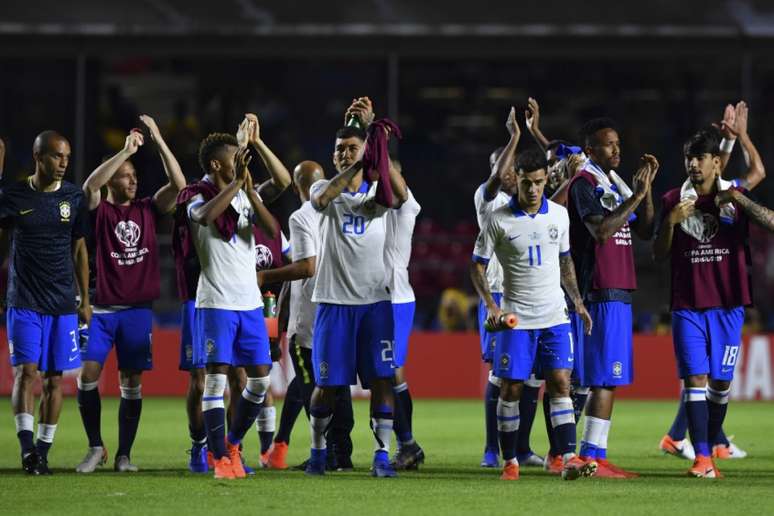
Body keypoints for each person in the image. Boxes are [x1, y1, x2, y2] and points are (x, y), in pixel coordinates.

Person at [173, 114, 291, 474]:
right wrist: (238, 184)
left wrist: (254, 145)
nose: (241, 161)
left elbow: (282, 185)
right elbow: (206, 217)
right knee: (216, 378)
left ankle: (232, 444)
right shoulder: (195, 195)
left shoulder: (243, 193)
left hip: (250, 304)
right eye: (234, 156)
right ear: (214, 164)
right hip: (216, 302)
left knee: (259, 378)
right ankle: (218, 459)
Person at [652, 121, 766, 478]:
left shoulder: (734, 194)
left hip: (729, 306)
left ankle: (712, 443)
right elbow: (658, 254)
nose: (693, 164)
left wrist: (740, 197)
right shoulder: (673, 200)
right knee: (695, 380)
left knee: (720, 385)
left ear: (716, 162)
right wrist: (670, 221)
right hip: (688, 306)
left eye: (700, 157)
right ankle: (703, 459)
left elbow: (764, 197)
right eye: (689, 158)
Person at [75, 116, 186, 473]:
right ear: (113, 181)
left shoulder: (148, 209)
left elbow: (179, 184)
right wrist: (124, 150)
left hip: (138, 311)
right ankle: (96, 447)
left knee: (131, 383)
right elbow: (91, 185)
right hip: (104, 311)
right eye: (126, 175)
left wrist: (158, 139)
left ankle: (124, 455)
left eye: (135, 175)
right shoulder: (100, 210)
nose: (133, 179)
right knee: (87, 376)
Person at [304, 102, 408, 477]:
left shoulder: (378, 195)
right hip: (334, 303)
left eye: (352, 147)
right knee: (327, 385)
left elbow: (402, 195)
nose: (344, 154)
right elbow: (321, 198)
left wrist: (375, 142)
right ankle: (317, 450)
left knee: (382, 379)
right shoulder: (322, 189)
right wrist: (359, 155)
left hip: (375, 303)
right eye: (339, 149)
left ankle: (382, 455)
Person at [567, 117, 659, 478]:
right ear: (590, 150)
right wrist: (636, 194)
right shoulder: (584, 184)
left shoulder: (614, 185)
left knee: (608, 378)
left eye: (618, 143)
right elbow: (602, 230)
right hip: (599, 287)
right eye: (609, 144)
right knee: (601, 377)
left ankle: (595, 455)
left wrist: (645, 189)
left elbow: (647, 229)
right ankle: (588, 456)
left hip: (619, 287)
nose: (617, 149)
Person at [0, 130, 91, 474]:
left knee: (54, 380)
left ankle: (42, 450)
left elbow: (80, 250)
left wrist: (85, 298)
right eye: (56, 156)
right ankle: (26, 450)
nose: (63, 163)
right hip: (24, 299)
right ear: (38, 157)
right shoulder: (14, 195)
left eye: (67, 157)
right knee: (26, 373)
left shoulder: (74, 197)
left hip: (63, 303)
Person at [474, 108, 543, 468]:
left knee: (530, 376)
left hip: (532, 296)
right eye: (502, 167)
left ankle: (523, 447)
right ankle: (491, 449)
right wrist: (516, 135)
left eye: (513, 168)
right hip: (498, 295)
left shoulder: (531, 206)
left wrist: (536, 132)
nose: (508, 173)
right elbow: (495, 179)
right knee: (501, 375)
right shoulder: (488, 200)